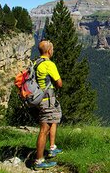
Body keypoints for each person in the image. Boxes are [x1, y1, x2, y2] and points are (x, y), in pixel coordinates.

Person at [34, 40, 63, 170]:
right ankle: (39, 161)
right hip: (47, 100)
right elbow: (59, 83)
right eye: (52, 49)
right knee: (44, 129)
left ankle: (52, 148)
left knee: (53, 120)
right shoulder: (48, 64)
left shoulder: (36, 62)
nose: (53, 51)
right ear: (49, 51)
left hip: (40, 98)